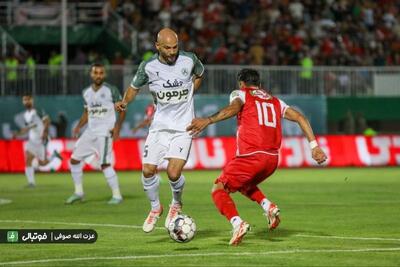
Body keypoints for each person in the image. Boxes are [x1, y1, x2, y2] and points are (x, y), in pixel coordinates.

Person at [187, 68, 327, 246]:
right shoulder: (275, 101)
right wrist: (314, 146)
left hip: (251, 156)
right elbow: (300, 117)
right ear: (259, 84)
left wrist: (208, 120)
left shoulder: (241, 93)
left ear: (241, 83)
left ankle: (237, 224)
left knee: (218, 188)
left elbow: (234, 108)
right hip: (272, 160)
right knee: (244, 183)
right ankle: (268, 206)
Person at [115, 27, 204, 233]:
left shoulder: (189, 59)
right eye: (168, 48)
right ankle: (156, 208)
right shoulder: (148, 67)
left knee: (173, 173)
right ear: (157, 46)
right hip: (159, 127)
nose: (173, 52)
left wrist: (191, 91)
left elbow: (200, 73)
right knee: (147, 170)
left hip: (184, 127)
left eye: (175, 47)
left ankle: (176, 203)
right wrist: (125, 101)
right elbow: (133, 88)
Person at [65, 63, 126, 205]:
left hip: (104, 133)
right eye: (95, 72)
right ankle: (78, 192)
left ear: (104, 75)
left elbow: (122, 109)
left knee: (104, 164)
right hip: (90, 132)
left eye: (101, 73)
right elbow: (87, 112)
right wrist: (78, 126)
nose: (98, 75)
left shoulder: (111, 90)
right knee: (74, 160)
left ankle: (117, 195)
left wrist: (117, 128)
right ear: (91, 74)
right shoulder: (86, 92)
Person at [13, 94, 61, 187]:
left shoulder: (38, 111)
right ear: (23, 102)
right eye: (24, 100)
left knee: (42, 163)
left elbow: (47, 120)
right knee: (28, 159)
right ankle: (31, 183)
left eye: (28, 99)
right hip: (32, 141)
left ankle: (54, 155)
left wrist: (45, 132)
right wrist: (18, 134)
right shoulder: (26, 114)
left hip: (41, 141)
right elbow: (28, 127)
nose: (26, 101)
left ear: (32, 100)